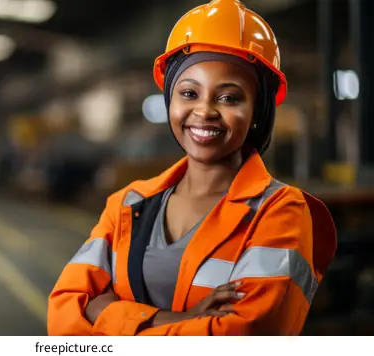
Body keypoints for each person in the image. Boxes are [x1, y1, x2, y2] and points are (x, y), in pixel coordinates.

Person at [47, 0, 337, 336]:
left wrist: (106, 311)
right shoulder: (128, 203)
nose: (205, 111)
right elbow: (65, 318)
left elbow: (240, 338)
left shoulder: (280, 212)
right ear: (170, 98)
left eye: (229, 97)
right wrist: (175, 320)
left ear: (258, 111)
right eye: (189, 93)